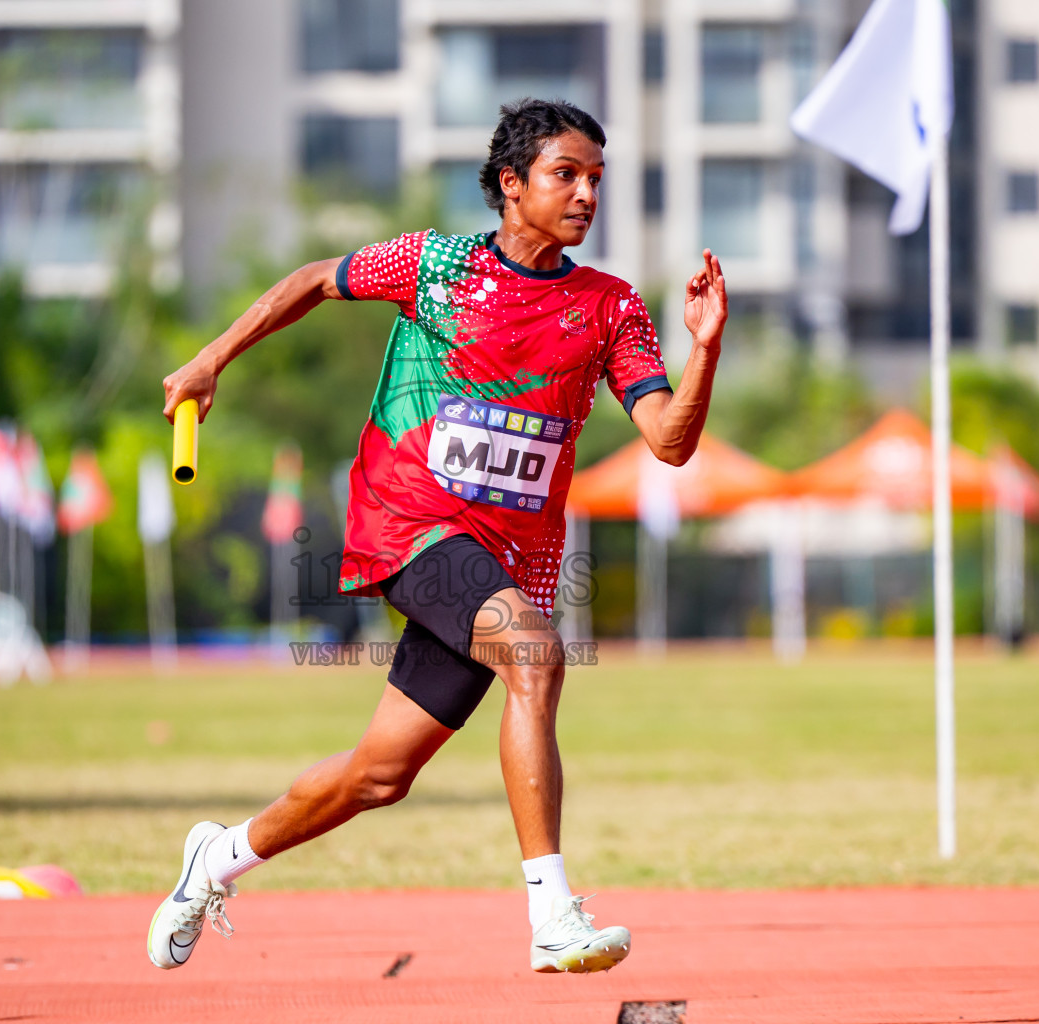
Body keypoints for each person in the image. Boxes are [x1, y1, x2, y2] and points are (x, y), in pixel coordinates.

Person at [149, 98, 728, 975]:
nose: (585, 196)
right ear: (510, 184)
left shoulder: (610, 308)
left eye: (595, 180)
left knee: (379, 776)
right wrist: (209, 360)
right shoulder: (437, 264)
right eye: (565, 175)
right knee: (535, 658)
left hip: (505, 562)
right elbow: (312, 279)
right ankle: (552, 914)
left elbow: (671, 442)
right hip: (409, 521)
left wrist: (707, 349)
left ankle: (216, 858)